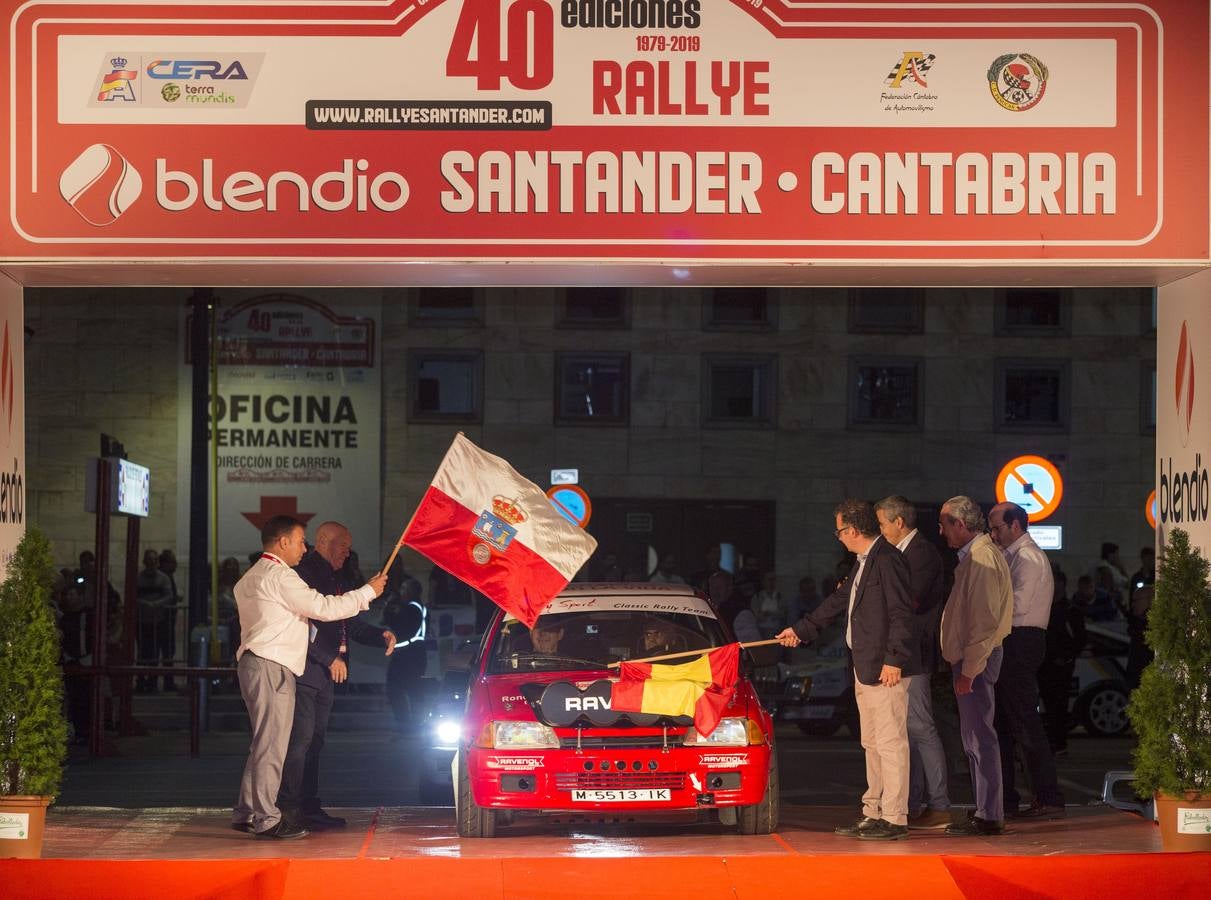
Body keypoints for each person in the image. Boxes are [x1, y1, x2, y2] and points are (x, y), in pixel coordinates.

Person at [231, 515, 386, 840]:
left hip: (256, 662)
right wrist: (367, 592)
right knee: (274, 745)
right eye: (301, 541)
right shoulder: (281, 577)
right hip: (272, 664)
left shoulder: (251, 577)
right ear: (283, 542)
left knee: (264, 742)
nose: (305, 548)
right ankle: (268, 818)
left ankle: (248, 811)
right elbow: (324, 608)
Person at [776, 499, 917, 842]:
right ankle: (874, 811)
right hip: (864, 664)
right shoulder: (864, 561)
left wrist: (894, 659)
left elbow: (902, 613)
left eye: (839, 530)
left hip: (886, 667)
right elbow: (838, 603)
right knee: (871, 741)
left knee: (890, 742)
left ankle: (895, 817)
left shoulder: (888, 559)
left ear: (852, 530)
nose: (838, 537)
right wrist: (801, 631)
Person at [278, 522, 396, 830]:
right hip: (305, 670)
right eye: (343, 544)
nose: (348, 551)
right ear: (324, 542)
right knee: (300, 742)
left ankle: (308, 805)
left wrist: (378, 634)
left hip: (325, 675)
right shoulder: (303, 574)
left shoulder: (335, 576)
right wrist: (328, 657)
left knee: (314, 742)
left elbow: (348, 622)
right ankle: (287, 808)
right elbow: (300, 626)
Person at [937, 496, 1013, 837]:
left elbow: (983, 623)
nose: (941, 532)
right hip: (974, 658)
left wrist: (969, 670)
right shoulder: (977, 557)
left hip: (976, 660)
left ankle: (989, 814)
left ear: (960, 524)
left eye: (944, 524)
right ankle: (986, 810)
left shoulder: (981, 558)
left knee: (979, 736)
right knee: (975, 736)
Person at [874, 495, 951, 830]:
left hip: (914, 653)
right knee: (908, 729)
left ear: (898, 522)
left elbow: (909, 601)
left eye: (881, 524)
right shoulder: (903, 553)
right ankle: (917, 800)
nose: (879, 530)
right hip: (904, 651)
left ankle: (939, 804)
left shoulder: (921, 553)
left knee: (920, 727)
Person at [988, 502, 1065, 819]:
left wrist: (984, 611)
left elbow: (1015, 606)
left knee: (1023, 722)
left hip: (1021, 638)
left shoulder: (1029, 557)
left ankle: (1048, 797)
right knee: (1004, 723)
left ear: (1015, 525)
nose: (993, 535)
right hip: (1012, 638)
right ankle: (1007, 799)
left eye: (997, 528)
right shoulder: (1013, 555)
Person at [1039, 568, 1085, 754]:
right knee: (1048, 705)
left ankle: (1059, 742)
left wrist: (1065, 658)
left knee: (1059, 704)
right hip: (1044, 665)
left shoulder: (1069, 611)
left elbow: (1079, 638)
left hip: (1060, 667)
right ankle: (1053, 741)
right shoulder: (1045, 607)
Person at [383, 575, 428, 735]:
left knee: (400, 690)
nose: (401, 592)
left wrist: (391, 607)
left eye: (404, 589)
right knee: (408, 691)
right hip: (412, 655)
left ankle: (408, 727)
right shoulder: (416, 607)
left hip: (409, 656)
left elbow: (400, 627)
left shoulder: (412, 608)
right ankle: (409, 726)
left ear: (412, 591)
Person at [135, 548, 174, 692]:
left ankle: (152, 682)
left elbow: (169, 596)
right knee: (142, 652)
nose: (151, 562)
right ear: (144, 561)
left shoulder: (163, 578)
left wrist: (154, 604)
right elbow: (133, 595)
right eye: (149, 559)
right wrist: (144, 604)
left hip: (158, 620)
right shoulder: (138, 578)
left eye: (154, 559)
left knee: (155, 653)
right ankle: (141, 681)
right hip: (142, 621)